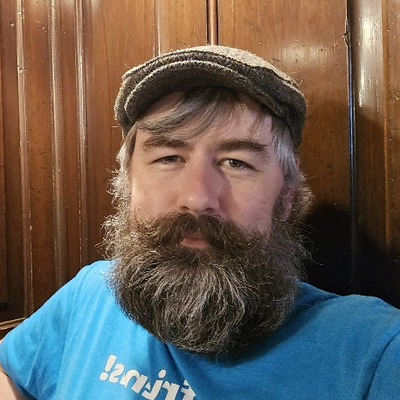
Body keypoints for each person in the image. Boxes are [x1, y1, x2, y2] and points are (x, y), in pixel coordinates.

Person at [0, 45, 399, 400]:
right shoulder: (91, 293)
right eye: (169, 157)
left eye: (236, 162)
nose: (198, 197)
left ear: (287, 197)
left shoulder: (372, 351)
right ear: (127, 184)